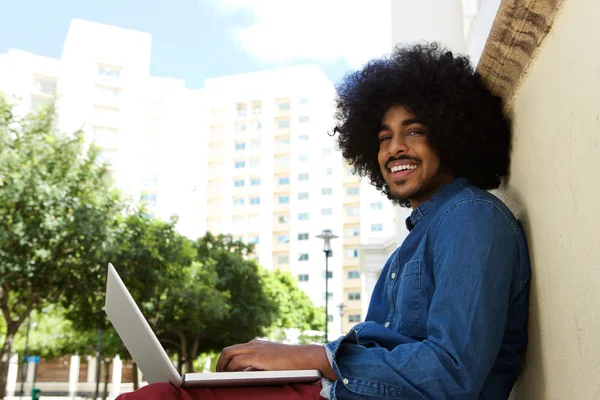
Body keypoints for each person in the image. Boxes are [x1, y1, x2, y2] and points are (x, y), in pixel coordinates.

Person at [117, 42, 530, 400]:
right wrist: (290, 358)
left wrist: (311, 357)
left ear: (451, 135)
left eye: (414, 131)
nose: (395, 148)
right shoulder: (415, 242)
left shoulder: (473, 218)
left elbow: (452, 375)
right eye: (384, 137)